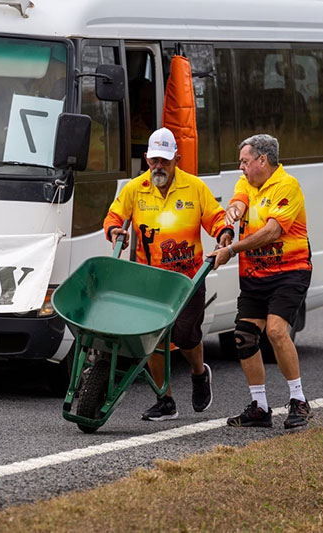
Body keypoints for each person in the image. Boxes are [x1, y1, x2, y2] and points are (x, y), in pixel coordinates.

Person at [104, 127, 233, 421]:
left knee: (186, 337)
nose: (159, 167)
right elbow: (114, 215)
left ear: (176, 157)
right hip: (150, 280)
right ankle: (165, 400)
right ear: (146, 158)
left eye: (165, 160)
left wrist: (224, 231)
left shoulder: (194, 187)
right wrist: (114, 229)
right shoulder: (135, 188)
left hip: (187, 278)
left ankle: (199, 374)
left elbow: (215, 216)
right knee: (153, 340)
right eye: (154, 161)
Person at [208, 133, 313, 429]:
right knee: (243, 336)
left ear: (262, 160)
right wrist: (228, 227)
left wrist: (231, 250)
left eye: (245, 161)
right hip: (255, 274)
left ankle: (299, 401)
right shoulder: (247, 182)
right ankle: (260, 407)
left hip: (289, 271)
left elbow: (271, 232)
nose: (240, 167)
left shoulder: (287, 186)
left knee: (277, 331)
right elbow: (237, 205)